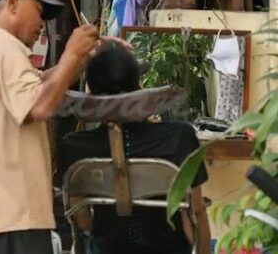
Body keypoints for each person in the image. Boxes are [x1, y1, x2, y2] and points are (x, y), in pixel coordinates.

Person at [0, 0, 100, 254]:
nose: (42, 25)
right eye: (38, 12)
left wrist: (82, 59)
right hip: (15, 218)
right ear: (12, 2)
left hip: (5, 218)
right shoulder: (5, 51)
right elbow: (40, 105)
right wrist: (72, 54)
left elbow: (38, 85)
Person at [57, 41, 211, 254]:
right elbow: (196, 212)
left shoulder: (74, 147)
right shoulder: (179, 138)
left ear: (90, 91)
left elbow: (82, 220)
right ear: (138, 87)